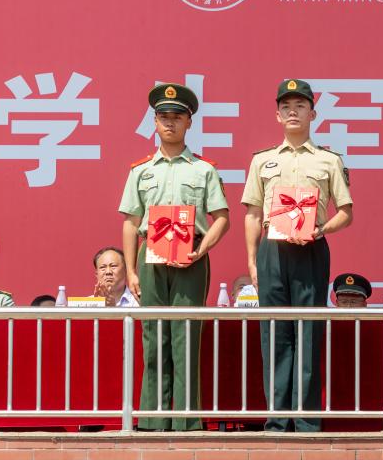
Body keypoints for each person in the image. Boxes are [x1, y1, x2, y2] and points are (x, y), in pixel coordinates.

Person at [241, 78, 353, 432]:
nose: (293, 112)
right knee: (274, 332)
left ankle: (306, 419)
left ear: (312, 114)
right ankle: (277, 418)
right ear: (277, 115)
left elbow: (346, 212)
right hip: (272, 250)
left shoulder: (328, 160)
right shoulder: (262, 161)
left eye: (300, 106)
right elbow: (252, 214)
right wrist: (252, 259)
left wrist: (322, 229)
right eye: (286, 107)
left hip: (311, 250)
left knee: (308, 331)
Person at [119, 83, 230, 431]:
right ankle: (152, 419)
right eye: (164, 116)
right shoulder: (140, 170)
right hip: (149, 257)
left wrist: (202, 249)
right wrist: (131, 272)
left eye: (177, 117)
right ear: (154, 122)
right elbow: (131, 222)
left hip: (191, 257)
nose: (170, 123)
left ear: (189, 122)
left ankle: (186, 420)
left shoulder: (203, 169)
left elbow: (222, 218)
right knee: (153, 336)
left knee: (186, 336)